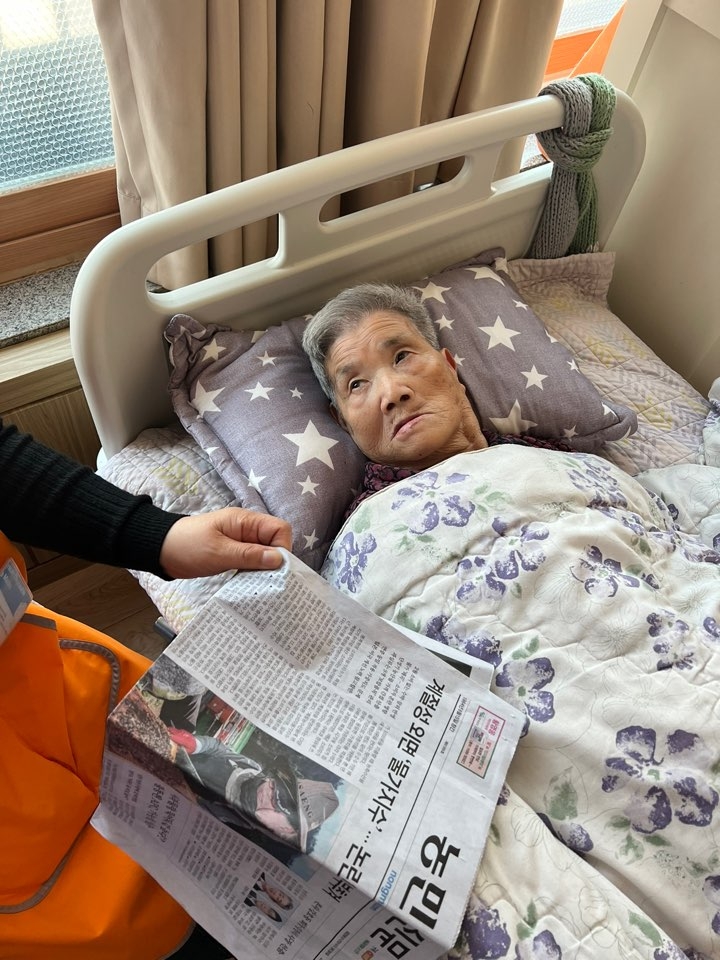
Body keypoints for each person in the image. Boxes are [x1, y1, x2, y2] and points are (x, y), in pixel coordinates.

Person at [0, 419, 292, 960]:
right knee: (147, 930)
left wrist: (158, 536)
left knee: (244, 827)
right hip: (29, 852)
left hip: (52, 672)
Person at [302, 282, 567, 509]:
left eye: (402, 357)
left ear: (450, 367)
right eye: (357, 384)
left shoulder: (548, 457)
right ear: (343, 422)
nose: (392, 393)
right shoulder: (366, 527)